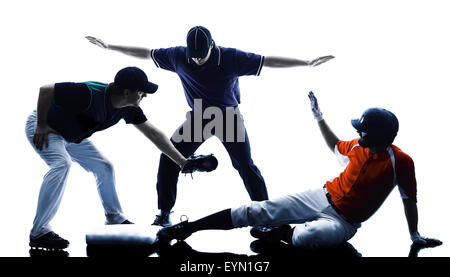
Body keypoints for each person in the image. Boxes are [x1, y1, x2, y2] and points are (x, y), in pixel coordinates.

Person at [86, 26, 334, 226]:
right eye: (192, 56)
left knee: (245, 166)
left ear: (212, 47)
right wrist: (110, 47)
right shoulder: (178, 55)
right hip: (199, 118)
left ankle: (265, 216)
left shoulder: (231, 58)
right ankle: (164, 213)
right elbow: (146, 53)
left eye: (201, 55)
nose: (196, 59)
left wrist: (307, 62)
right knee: (169, 158)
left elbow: (268, 61)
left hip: (228, 118)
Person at [156, 91, 437, 250]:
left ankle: (281, 234)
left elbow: (408, 200)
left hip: (345, 222)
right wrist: (319, 117)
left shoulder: (401, 162)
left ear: (376, 137)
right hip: (320, 196)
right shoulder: (357, 147)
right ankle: (187, 228)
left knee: (310, 238)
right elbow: (336, 145)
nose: (357, 134)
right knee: (255, 211)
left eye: (361, 131)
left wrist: (414, 236)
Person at [26, 67, 192, 250]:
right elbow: (46, 90)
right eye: (141, 92)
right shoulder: (88, 93)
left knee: (104, 167)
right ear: (127, 92)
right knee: (62, 164)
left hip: (71, 137)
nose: (145, 95)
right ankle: (39, 232)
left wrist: (182, 162)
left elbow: (154, 134)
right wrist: (41, 125)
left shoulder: (129, 108)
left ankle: (114, 217)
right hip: (45, 128)